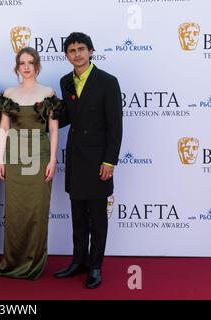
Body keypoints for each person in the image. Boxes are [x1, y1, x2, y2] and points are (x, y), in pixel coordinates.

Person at [53, 32, 123, 289]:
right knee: (78, 216)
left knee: (97, 218)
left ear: (91, 51)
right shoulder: (65, 81)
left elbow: (115, 126)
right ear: (67, 55)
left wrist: (109, 162)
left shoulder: (107, 81)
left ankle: (95, 266)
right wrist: (37, 120)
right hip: (75, 157)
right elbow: (72, 116)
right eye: (72, 50)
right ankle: (78, 261)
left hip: (98, 162)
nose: (77, 54)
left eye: (81, 49)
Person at [0, 47, 61, 280]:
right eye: (21, 62)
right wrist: (0, 158)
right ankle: (12, 262)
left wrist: (53, 159)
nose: (26, 66)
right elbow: (3, 128)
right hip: (14, 156)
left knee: (37, 210)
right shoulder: (9, 93)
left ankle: (33, 263)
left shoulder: (48, 92)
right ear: (17, 66)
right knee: (15, 212)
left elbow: (53, 129)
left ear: (37, 65)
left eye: (30, 62)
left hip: (40, 155)